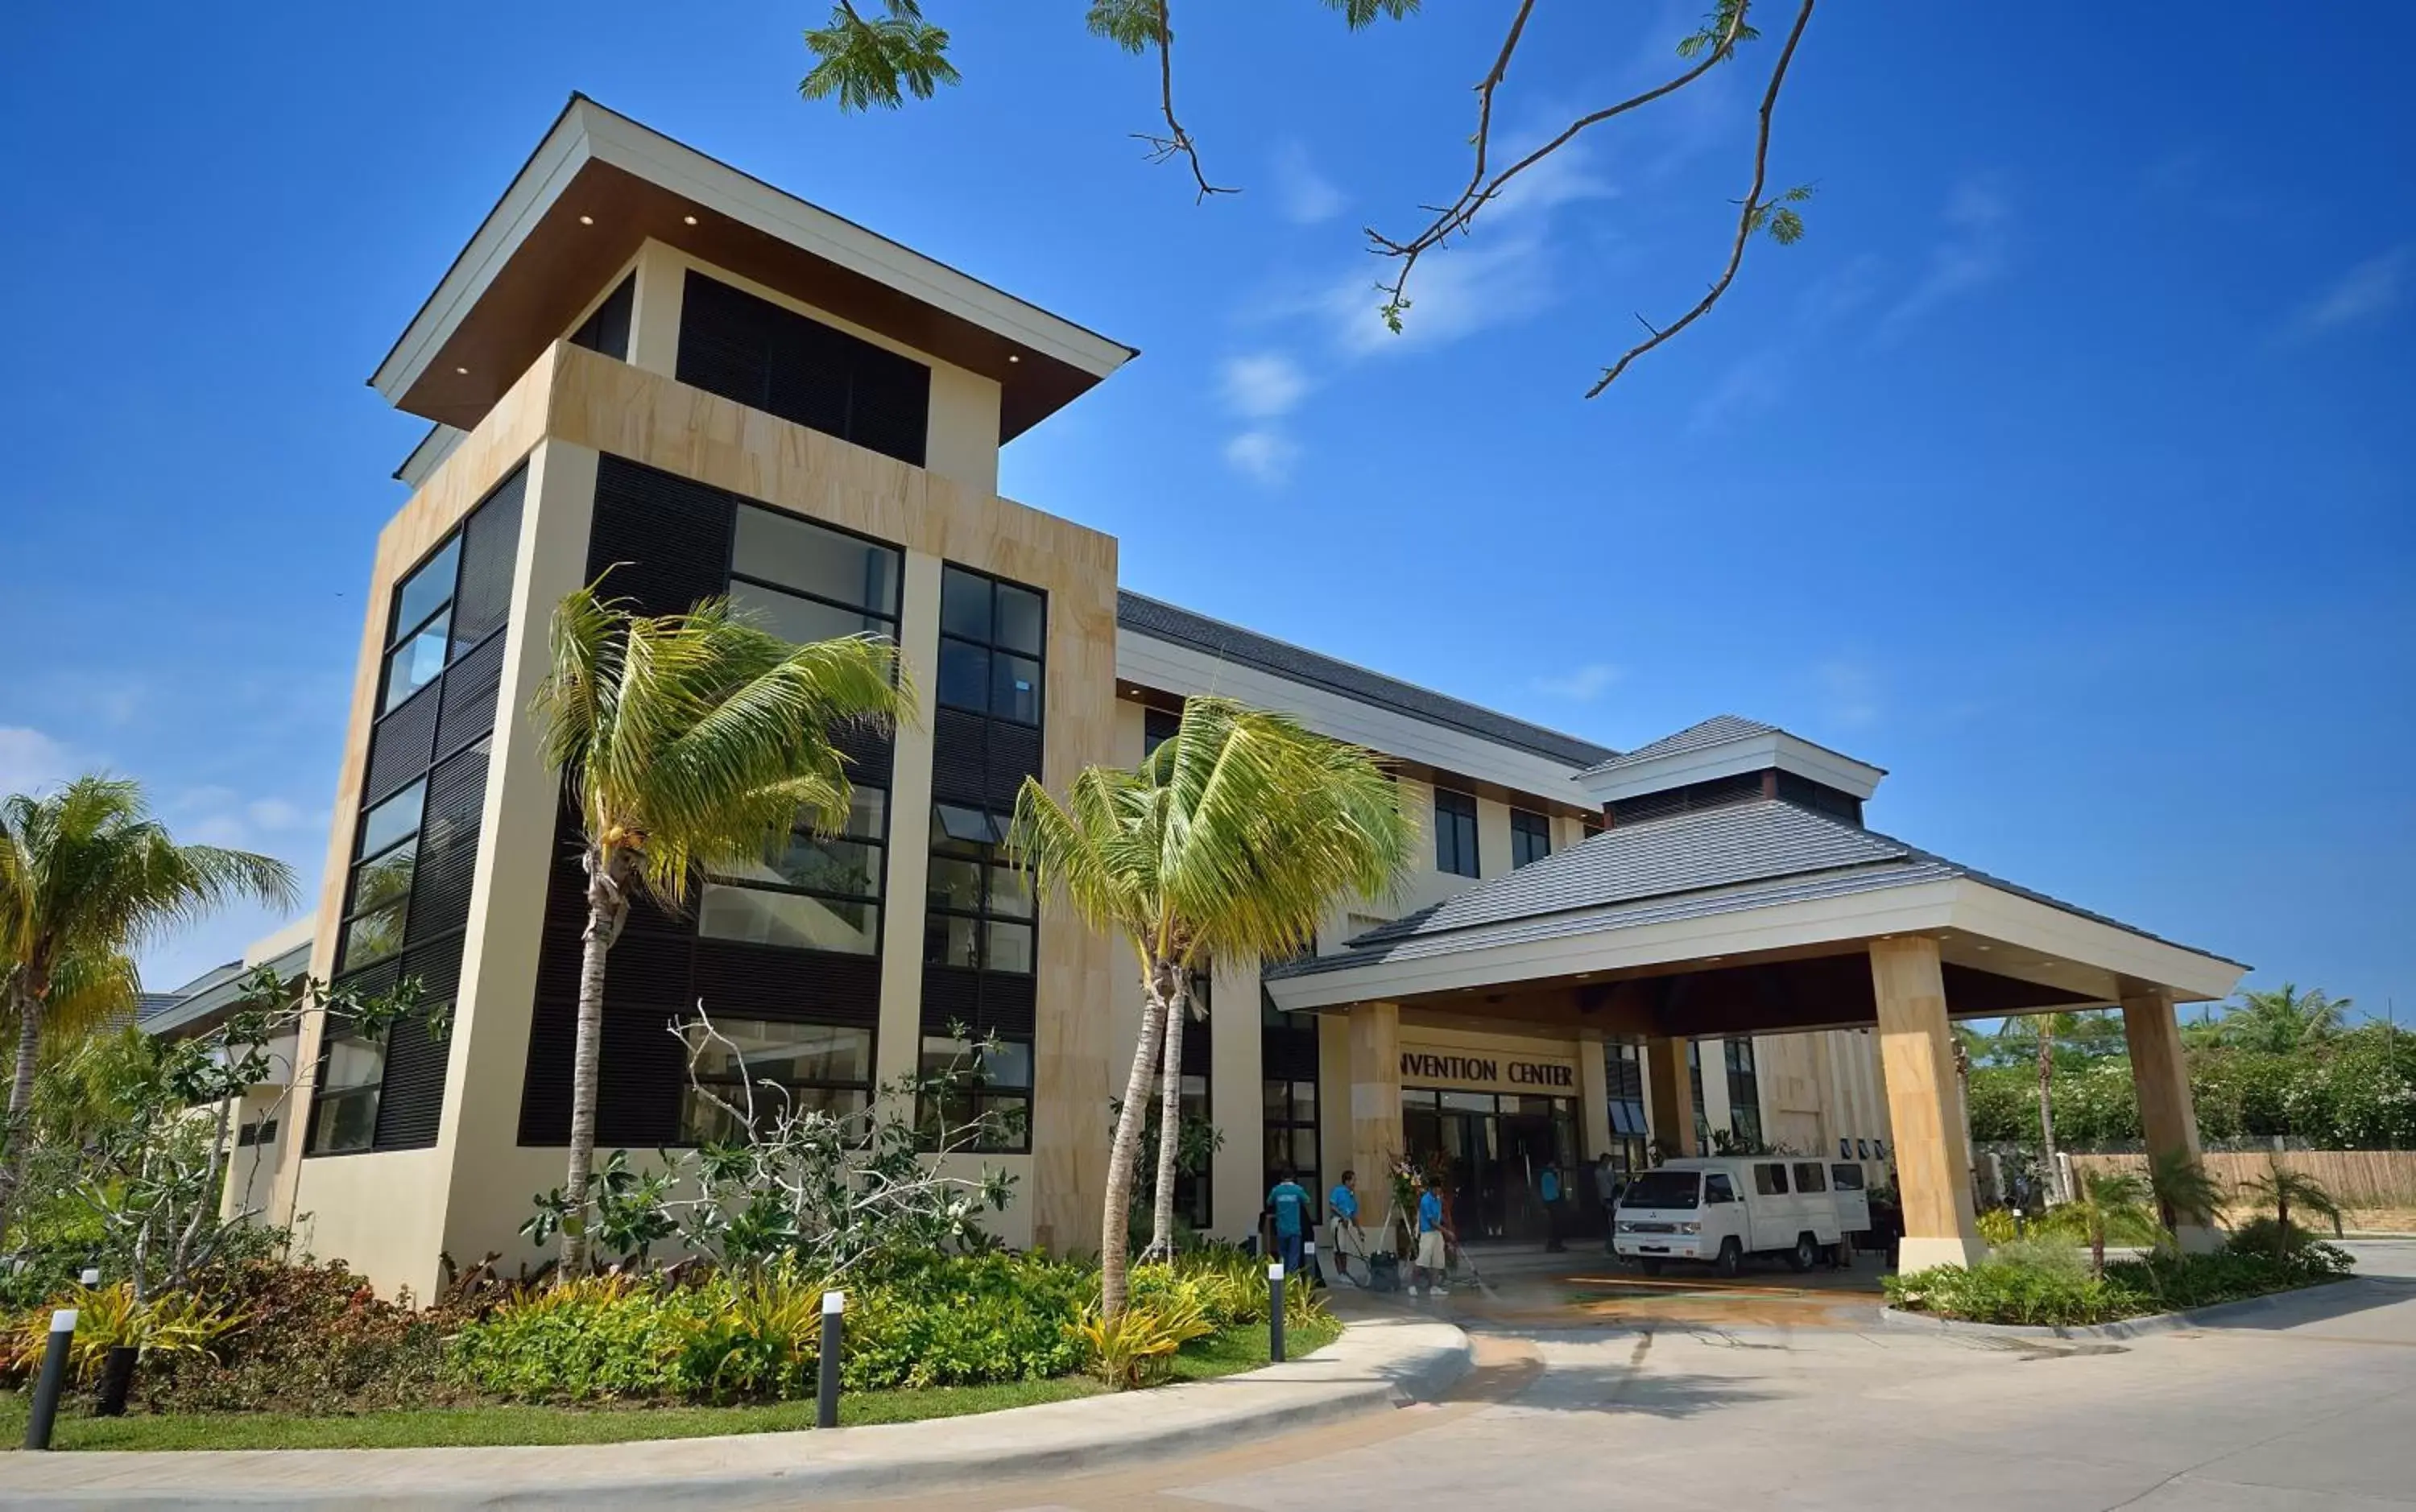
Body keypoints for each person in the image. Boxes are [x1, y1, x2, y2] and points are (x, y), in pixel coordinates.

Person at [1267, 1168, 1313, 1279]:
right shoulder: (1297, 1190)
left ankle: (1282, 1278)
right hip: (1295, 1229)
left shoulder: (1276, 1190)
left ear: (1282, 1178)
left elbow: (1269, 1202)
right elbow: (1307, 1200)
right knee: (1294, 1256)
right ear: (1293, 1177)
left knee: (1283, 1255)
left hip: (1281, 1228)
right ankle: (1291, 1279)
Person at [1409, 1175, 1450, 1296]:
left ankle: (1434, 1287)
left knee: (1437, 1260)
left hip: (1437, 1234)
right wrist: (1447, 1232)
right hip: (1427, 1234)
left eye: (1440, 1189)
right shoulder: (1425, 1201)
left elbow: (1438, 1216)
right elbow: (1432, 1222)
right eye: (1437, 1189)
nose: (1439, 1191)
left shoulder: (1437, 1199)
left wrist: (1447, 1224)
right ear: (1432, 1188)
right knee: (1423, 1260)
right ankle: (1412, 1285)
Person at [1327, 1170, 1365, 1281]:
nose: (1355, 1183)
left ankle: (1345, 1271)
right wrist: (1342, 1216)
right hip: (1338, 1222)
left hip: (1347, 1223)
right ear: (1347, 1181)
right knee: (1338, 1248)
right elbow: (1332, 1206)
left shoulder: (1352, 1196)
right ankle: (1341, 1273)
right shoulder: (1338, 1191)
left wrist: (1359, 1229)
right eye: (1353, 1180)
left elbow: (1353, 1215)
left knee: (1344, 1249)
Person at [1539, 1161, 1566, 1251]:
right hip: (1554, 1201)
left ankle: (1551, 1244)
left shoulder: (1543, 1175)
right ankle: (1556, 1244)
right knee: (1557, 1223)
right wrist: (1559, 1175)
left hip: (1548, 1201)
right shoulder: (1550, 1176)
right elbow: (1558, 1187)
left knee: (1552, 1224)